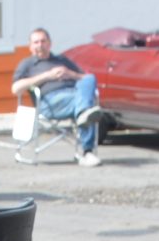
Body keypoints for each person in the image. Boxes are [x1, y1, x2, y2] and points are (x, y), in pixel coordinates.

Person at [10, 27, 104, 166]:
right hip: (50, 102)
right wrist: (48, 75)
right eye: (36, 42)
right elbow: (15, 88)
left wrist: (69, 74)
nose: (40, 45)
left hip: (73, 95)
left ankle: (83, 113)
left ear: (50, 43)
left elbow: (84, 78)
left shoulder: (61, 60)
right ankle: (87, 152)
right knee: (87, 106)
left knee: (89, 79)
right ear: (30, 46)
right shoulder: (27, 64)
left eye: (43, 41)